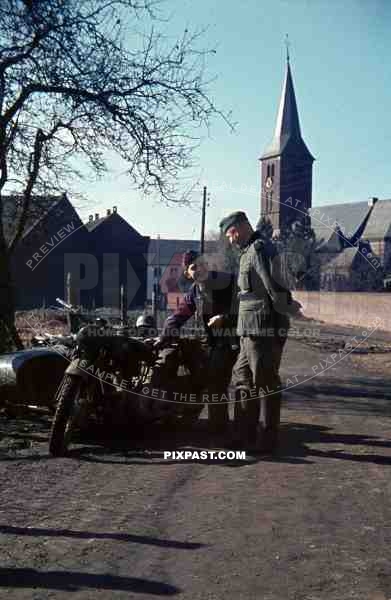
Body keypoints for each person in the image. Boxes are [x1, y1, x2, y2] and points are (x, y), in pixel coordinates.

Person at [219, 211, 302, 453]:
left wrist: (287, 310)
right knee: (242, 378)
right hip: (247, 330)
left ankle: (268, 438)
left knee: (265, 382)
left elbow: (274, 285)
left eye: (232, 233)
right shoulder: (246, 253)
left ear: (242, 227)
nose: (231, 240)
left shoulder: (259, 249)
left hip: (262, 328)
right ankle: (243, 434)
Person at [156, 249, 238, 434]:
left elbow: (246, 307)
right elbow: (180, 314)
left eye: (202, 264)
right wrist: (164, 336)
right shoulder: (195, 290)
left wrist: (225, 317)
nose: (199, 269)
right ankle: (187, 420)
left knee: (215, 383)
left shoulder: (226, 282)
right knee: (193, 374)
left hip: (231, 340)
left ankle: (219, 431)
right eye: (194, 267)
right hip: (211, 342)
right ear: (187, 273)